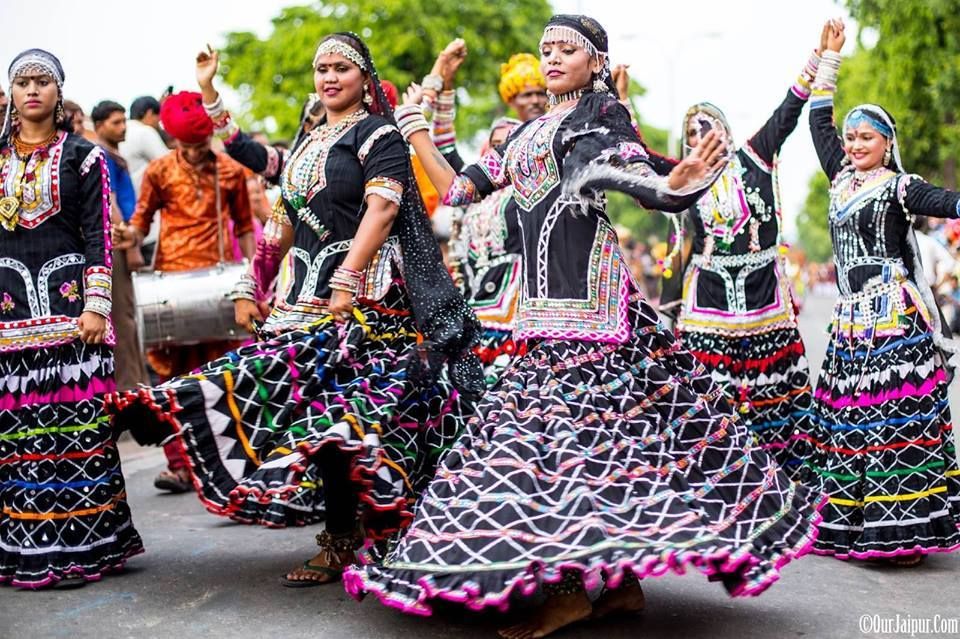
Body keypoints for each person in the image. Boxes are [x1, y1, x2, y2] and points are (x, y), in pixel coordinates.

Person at [347, 15, 825, 639]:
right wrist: (419, 136)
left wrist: (672, 183)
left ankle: (570, 590)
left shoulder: (598, 119)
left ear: (595, 60)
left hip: (590, 309)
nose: (551, 58)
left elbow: (623, 170)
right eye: (545, 49)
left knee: (565, 447)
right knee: (590, 447)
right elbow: (459, 192)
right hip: (537, 309)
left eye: (566, 49)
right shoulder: (520, 136)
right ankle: (620, 584)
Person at [106, 33, 482, 588]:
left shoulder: (378, 134)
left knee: (348, 425)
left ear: (363, 77)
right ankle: (343, 533)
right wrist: (250, 283)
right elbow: (278, 221)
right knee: (306, 416)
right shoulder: (310, 141)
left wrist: (347, 279)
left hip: (366, 304)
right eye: (321, 69)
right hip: (300, 302)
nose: (329, 78)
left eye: (340, 68)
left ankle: (364, 535)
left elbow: (381, 210)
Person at [805, 20, 960, 566]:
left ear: (887, 143)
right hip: (850, 323)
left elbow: (947, 200)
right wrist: (829, 59)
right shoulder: (839, 178)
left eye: (866, 137)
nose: (853, 145)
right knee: (849, 421)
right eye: (851, 138)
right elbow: (817, 121)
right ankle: (849, 527)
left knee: (895, 423)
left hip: (894, 320)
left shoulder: (900, 186)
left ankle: (905, 532)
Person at [658, 26, 831, 476]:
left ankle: (775, 475)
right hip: (708, 302)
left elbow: (788, 109)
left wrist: (821, 60)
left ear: (725, 130)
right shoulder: (684, 180)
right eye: (692, 132)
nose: (700, 136)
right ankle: (719, 472)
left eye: (708, 127)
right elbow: (680, 248)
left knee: (770, 392)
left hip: (762, 300)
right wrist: (667, 310)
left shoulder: (754, 157)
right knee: (708, 393)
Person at [0, 48, 143, 589]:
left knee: (75, 437)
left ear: (59, 93)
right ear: (11, 94)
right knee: (19, 442)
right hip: (10, 319)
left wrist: (96, 305)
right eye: (22, 82)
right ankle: (27, 551)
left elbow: (97, 235)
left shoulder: (84, 157)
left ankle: (86, 548)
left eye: (43, 81)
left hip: (72, 320)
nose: (32, 89)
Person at [115, 91, 255, 494]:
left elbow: (245, 227)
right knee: (172, 380)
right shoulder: (158, 170)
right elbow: (141, 222)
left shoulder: (229, 170)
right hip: (171, 287)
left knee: (223, 379)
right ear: (173, 140)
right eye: (185, 146)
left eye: (199, 145)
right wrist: (130, 235)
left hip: (220, 286)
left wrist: (250, 280)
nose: (193, 153)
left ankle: (230, 467)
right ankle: (179, 465)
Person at [418, 41, 544, 384]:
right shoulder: (474, 191)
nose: (533, 100)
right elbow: (444, 150)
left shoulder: (536, 183)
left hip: (521, 308)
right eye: (500, 144)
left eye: (540, 93)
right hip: (476, 304)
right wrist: (444, 85)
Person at [91, 100, 149, 392]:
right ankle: (129, 389)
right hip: (118, 242)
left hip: (124, 239)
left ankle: (136, 385)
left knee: (128, 316)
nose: (123, 126)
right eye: (116, 122)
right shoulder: (101, 155)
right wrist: (130, 246)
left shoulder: (114, 154)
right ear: (99, 126)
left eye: (124, 120)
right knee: (122, 318)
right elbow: (110, 201)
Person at [119, 95, 168, 194]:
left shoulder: (121, 131)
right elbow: (167, 164)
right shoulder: (145, 131)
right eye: (158, 118)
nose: (158, 122)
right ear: (149, 113)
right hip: (143, 199)